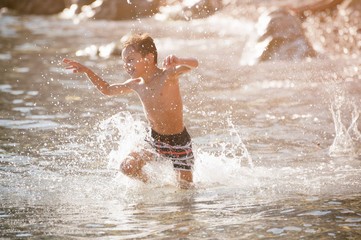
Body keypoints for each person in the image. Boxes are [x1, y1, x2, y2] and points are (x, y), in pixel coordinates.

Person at [63, 33, 198, 188]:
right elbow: (107, 89)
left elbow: (195, 64)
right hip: (154, 140)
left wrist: (179, 60)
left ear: (148, 57)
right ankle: (155, 186)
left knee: (185, 190)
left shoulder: (168, 75)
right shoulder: (135, 84)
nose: (126, 65)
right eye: (124, 61)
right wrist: (87, 71)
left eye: (130, 59)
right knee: (127, 167)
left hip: (179, 142)